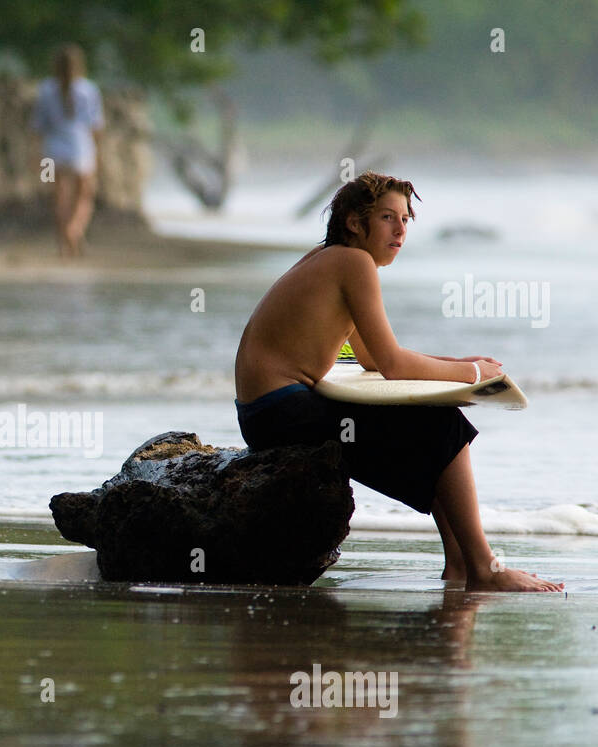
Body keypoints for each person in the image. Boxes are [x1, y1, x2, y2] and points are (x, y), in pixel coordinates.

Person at [233, 171, 563, 592]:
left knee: (436, 420)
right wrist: (475, 374)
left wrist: (455, 362)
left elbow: (369, 356)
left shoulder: (331, 258)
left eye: (406, 219)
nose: (400, 229)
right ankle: (483, 568)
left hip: (265, 413)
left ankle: (460, 563)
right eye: (388, 217)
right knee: (441, 424)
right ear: (355, 222)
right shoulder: (354, 263)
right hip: (280, 413)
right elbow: (392, 364)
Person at [30, 43, 104, 258]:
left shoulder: (45, 89)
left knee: (59, 198)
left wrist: (36, 155)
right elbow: (96, 126)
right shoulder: (89, 90)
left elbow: (37, 126)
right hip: (81, 147)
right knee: (84, 196)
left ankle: (63, 242)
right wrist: (99, 153)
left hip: (52, 149)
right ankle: (74, 230)